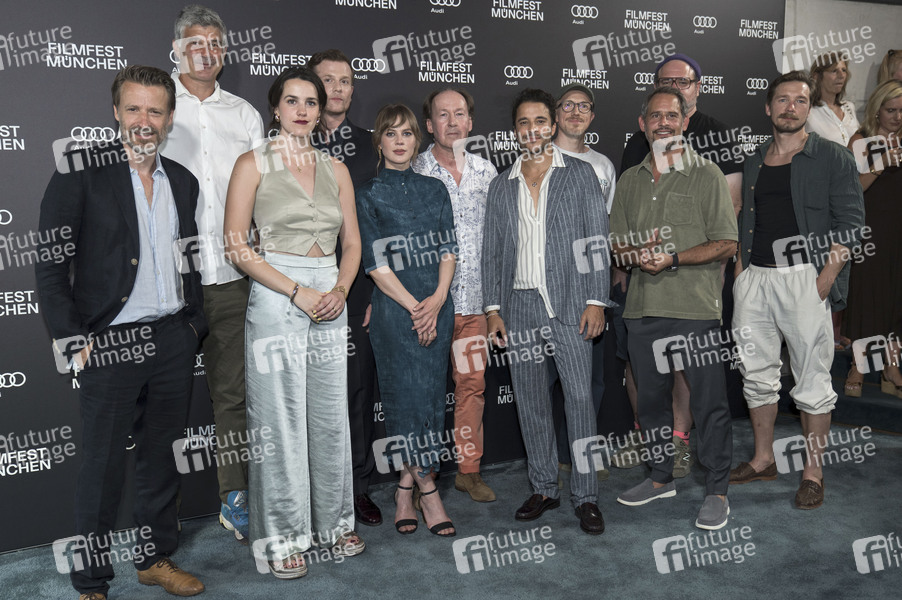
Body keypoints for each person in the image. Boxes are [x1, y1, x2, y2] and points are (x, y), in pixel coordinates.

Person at [36, 65, 207, 600]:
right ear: (116, 112)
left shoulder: (183, 180)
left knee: (161, 458)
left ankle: (154, 559)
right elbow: (50, 265)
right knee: (102, 467)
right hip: (109, 343)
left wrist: (194, 324)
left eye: (155, 110)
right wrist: (72, 339)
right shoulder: (80, 172)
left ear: (170, 118)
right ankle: (91, 581)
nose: (143, 120)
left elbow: (189, 259)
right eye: (133, 108)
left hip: (173, 338)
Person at [223, 66, 363, 579]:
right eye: (292, 100)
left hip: (331, 296)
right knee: (279, 420)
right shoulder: (251, 163)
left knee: (329, 416)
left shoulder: (336, 169)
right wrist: (297, 291)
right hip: (279, 293)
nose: (302, 110)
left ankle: (335, 524)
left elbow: (352, 243)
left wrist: (339, 290)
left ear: (320, 111)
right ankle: (282, 536)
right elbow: (236, 245)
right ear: (276, 108)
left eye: (311, 102)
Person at [729, 71, 865, 510]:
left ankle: (812, 472)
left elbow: (851, 224)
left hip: (806, 279)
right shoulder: (754, 159)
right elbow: (744, 217)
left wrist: (824, 280)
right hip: (756, 280)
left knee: (812, 378)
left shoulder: (832, 157)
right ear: (768, 107)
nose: (791, 107)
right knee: (756, 374)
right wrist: (741, 272)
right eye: (783, 100)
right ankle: (763, 459)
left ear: (809, 108)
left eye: (801, 100)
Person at [482, 88, 608, 535]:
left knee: (579, 400)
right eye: (523, 122)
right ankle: (543, 487)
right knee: (531, 402)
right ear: (515, 131)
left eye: (539, 121)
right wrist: (493, 310)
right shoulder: (502, 184)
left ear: (552, 126)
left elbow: (596, 241)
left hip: (570, 303)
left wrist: (596, 300)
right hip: (519, 307)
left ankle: (586, 496)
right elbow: (492, 251)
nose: (532, 130)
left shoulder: (581, 174)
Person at [160, 3, 264, 543]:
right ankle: (159, 517)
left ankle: (234, 497)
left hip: (231, 278)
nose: (206, 52)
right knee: (163, 402)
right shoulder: (158, 107)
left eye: (215, 43)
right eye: (195, 43)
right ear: (176, 50)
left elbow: (264, 194)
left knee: (233, 396)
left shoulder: (244, 114)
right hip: (168, 283)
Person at [611, 87, 737, 531]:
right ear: (642, 124)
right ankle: (660, 477)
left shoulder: (707, 174)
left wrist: (674, 258)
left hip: (695, 310)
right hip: (643, 309)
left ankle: (717, 491)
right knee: (651, 404)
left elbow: (727, 242)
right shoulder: (629, 180)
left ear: (684, 121)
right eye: (654, 116)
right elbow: (616, 246)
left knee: (709, 404)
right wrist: (635, 254)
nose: (663, 122)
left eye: (671, 115)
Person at [355, 104, 458, 536]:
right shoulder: (367, 193)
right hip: (395, 312)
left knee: (430, 399)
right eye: (391, 133)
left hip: (437, 305)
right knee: (402, 399)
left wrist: (437, 299)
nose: (400, 141)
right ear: (379, 141)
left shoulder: (435, 189)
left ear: (418, 141)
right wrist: (417, 308)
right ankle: (428, 490)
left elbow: (449, 249)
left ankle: (403, 488)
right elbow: (375, 264)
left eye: (408, 133)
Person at [308, 49, 383, 526]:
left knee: (356, 392)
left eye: (345, 81)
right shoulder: (287, 141)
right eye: (327, 80)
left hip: (357, 289)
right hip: (296, 285)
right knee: (301, 394)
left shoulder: (373, 145)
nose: (337, 88)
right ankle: (307, 491)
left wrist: (376, 292)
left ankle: (357, 487)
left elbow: (383, 224)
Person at [412, 88, 498, 503]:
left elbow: (498, 240)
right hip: (430, 305)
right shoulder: (414, 169)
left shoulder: (487, 172)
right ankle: (421, 479)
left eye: (459, 114)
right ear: (429, 124)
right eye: (442, 115)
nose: (452, 122)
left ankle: (469, 471)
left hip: (475, 305)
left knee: (471, 388)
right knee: (426, 393)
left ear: (470, 122)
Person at [550, 83, 616, 484]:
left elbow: (603, 233)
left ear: (592, 116)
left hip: (587, 288)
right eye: (568, 105)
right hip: (543, 289)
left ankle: (583, 455)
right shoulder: (538, 158)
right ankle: (551, 458)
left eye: (584, 107)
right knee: (544, 382)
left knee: (589, 381)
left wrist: (598, 294)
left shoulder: (603, 166)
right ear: (556, 113)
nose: (576, 112)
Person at [844, 79, 902, 398]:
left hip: (899, 229)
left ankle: (891, 366)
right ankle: (859, 365)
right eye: (891, 110)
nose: (897, 117)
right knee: (867, 295)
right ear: (877, 110)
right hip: (869, 228)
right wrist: (881, 164)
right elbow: (851, 188)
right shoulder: (862, 140)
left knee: (896, 295)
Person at [806, 52, 860, 148]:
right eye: (834, 71)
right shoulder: (808, 111)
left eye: (844, 70)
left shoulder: (849, 107)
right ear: (816, 76)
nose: (841, 75)